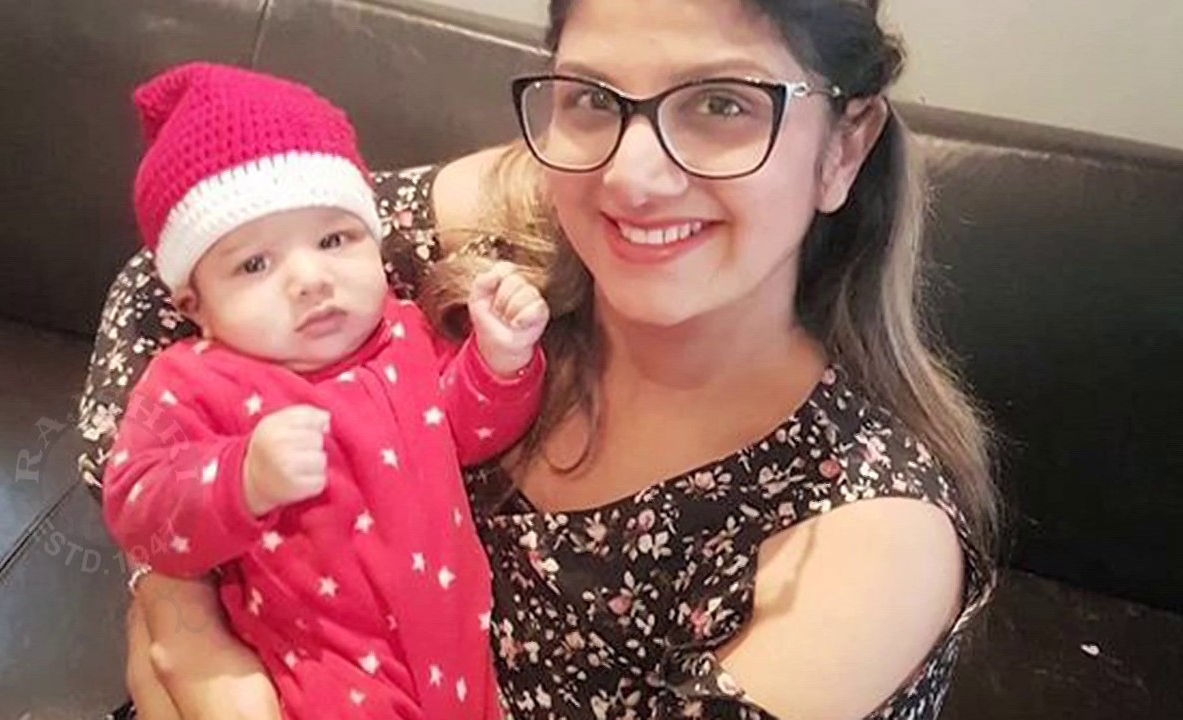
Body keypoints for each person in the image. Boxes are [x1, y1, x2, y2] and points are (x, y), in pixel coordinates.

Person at [78, 1, 998, 718]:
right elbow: (171, 281)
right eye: (593, 97)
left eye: (722, 104)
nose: (633, 178)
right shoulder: (522, 225)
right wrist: (181, 608)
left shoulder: (866, 539)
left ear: (845, 146)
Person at [102, 62, 548, 720]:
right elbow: (138, 509)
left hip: (459, 664)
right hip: (317, 676)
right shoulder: (192, 379)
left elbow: (469, 432)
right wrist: (241, 478)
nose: (310, 279)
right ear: (195, 305)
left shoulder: (406, 333)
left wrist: (499, 360)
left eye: (334, 239)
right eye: (254, 263)